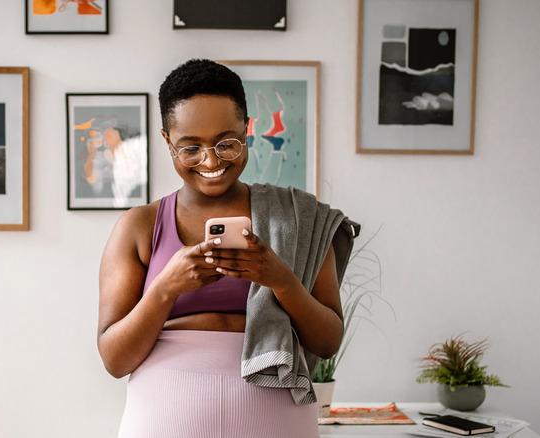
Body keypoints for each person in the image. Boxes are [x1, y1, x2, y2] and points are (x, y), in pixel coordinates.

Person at [97, 59, 358, 438]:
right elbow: (115, 359)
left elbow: (327, 341)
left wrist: (280, 279)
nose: (212, 160)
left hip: (277, 423)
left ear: (247, 132)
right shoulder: (138, 227)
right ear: (167, 141)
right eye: (191, 147)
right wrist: (167, 286)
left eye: (226, 143)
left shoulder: (299, 218)